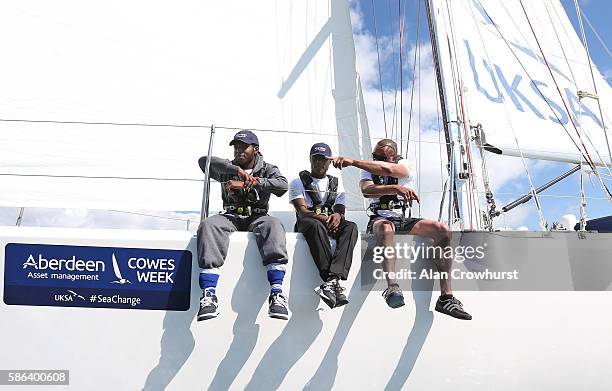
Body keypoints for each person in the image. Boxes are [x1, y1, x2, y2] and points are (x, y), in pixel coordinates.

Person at [330, 139, 472, 320]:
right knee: (386, 229)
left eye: (381, 157)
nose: (376, 160)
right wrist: (396, 188)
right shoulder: (367, 169)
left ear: (395, 157)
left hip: (403, 219)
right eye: (375, 156)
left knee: (441, 230)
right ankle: (392, 287)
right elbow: (367, 191)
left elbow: (390, 170)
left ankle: (446, 297)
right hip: (379, 218)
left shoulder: (406, 164)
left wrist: (352, 161)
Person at [196, 130, 290, 321]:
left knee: (273, 224)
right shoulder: (228, 167)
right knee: (208, 225)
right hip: (230, 216)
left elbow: (282, 186)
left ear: (255, 149)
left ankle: (277, 294)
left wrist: (253, 183)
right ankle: (208, 295)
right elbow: (203, 162)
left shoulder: (268, 168)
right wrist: (235, 171)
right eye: (236, 146)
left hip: (258, 216)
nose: (238, 150)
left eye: (243, 146)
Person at [288, 143, 358, 309]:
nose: (320, 163)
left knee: (351, 227)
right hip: (307, 223)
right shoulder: (297, 182)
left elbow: (340, 207)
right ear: (310, 160)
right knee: (315, 225)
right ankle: (330, 280)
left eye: (324, 159)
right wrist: (322, 218)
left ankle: (333, 279)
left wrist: (337, 216)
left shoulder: (336, 183)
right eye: (317, 159)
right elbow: (302, 210)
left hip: (328, 220)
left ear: (330, 162)